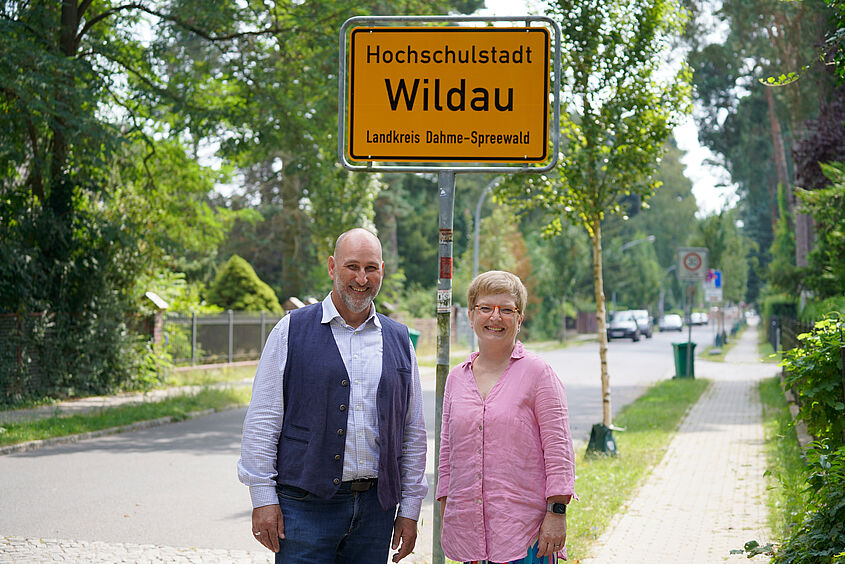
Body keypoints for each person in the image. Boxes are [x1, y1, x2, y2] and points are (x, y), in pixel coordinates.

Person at [237, 227, 427, 563]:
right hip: (304, 506)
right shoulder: (290, 330)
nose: (361, 278)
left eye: (371, 268)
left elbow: (412, 432)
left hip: (376, 510)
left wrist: (410, 507)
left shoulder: (399, 339)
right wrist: (263, 497)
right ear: (331, 267)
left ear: (382, 270)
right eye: (352, 266)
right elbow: (263, 419)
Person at [437, 270, 576, 564]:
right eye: (485, 308)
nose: (495, 318)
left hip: (526, 535)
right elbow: (447, 454)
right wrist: (447, 511)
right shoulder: (456, 380)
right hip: (470, 533)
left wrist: (556, 514)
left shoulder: (539, 374)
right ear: (472, 316)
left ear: (520, 318)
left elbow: (559, 452)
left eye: (507, 310)